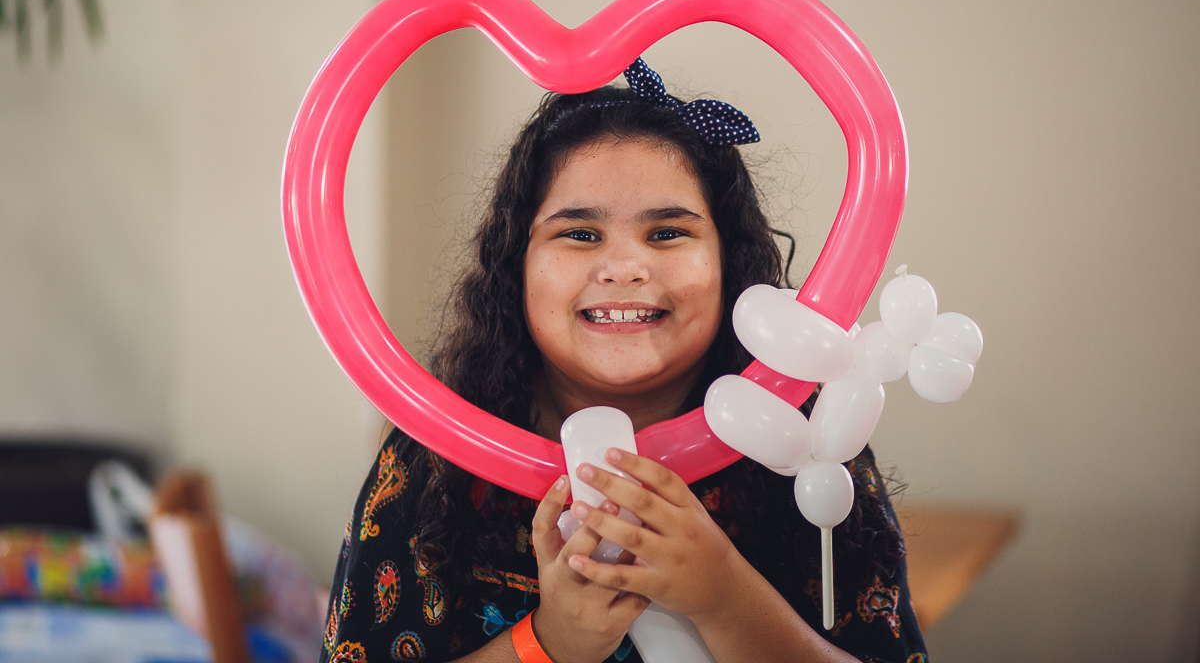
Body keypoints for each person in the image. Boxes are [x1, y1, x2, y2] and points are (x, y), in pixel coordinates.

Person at [320, 59, 927, 663]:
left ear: (729, 263)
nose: (624, 267)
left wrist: (723, 595)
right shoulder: (434, 459)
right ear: (516, 266)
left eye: (667, 233)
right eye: (580, 234)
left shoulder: (803, 437)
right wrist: (549, 643)